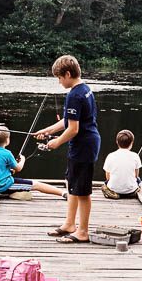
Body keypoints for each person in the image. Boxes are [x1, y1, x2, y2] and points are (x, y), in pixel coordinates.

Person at [34, 55, 101, 243]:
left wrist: (56, 143)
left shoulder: (74, 95)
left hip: (84, 146)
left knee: (82, 190)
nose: (59, 82)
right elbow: (68, 122)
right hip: (85, 143)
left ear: (68, 74)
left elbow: (73, 129)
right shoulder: (84, 89)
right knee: (72, 184)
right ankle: (69, 224)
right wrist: (47, 131)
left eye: (59, 78)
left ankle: (83, 231)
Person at [0, 124, 67, 200]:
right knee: (36, 185)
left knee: (21, 183)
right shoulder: (7, 153)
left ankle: (13, 193)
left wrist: (8, 171)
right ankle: (63, 193)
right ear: (7, 140)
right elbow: (18, 168)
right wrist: (22, 160)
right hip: (4, 186)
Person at [101, 129, 142, 199]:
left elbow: (108, 177)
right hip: (131, 190)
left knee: (106, 183)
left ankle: (114, 193)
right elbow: (136, 175)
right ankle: (131, 193)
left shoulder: (110, 156)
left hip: (113, 189)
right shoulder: (135, 156)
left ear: (117, 142)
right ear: (132, 143)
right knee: (139, 180)